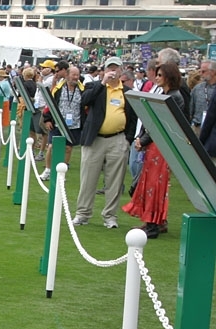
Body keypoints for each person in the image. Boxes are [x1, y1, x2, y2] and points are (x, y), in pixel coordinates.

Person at [71, 56, 137, 231]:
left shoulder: (127, 92)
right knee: (88, 179)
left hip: (118, 139)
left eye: (116, 68)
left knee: (114, 181)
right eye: (109, 68)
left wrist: (127, 139)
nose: (113, 72)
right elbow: (84, 100)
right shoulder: (95, 86)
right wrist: (102, 83)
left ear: (122, 71)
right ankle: (83, 213)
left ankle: (110, 216)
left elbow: (133, 118)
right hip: (95, 139)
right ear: (104, 70)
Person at [122, 62, 184, 239]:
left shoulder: (174, 97)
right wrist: (142, 139)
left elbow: (163, 124)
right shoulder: (163, 94)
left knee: (155, 185)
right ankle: (153, 221)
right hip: (155, 145)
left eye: (160, 75)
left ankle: (154, 224)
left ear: (169, 77)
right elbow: (151, 120)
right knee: (150, 183)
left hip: (163, 147)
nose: (156, 78)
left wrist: (144, 139)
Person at [40, 65, 83, 181]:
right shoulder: (58, 89)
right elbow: (49, 104)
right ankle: (48, 170)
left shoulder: (82, 89)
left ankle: (61, 172)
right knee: (51, 146)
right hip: (57, 123)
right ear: (67, 75)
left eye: (77, 75)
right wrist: (47, 119)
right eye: (73, 75)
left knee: (68, 148)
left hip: (74, 125)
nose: (76, 77)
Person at [197, 62, 216, 157]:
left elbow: (211, 117)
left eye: (203, 71)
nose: (200, 74)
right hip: (198, 125)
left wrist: (201, 141)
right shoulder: (198, 89)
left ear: (212, 72)